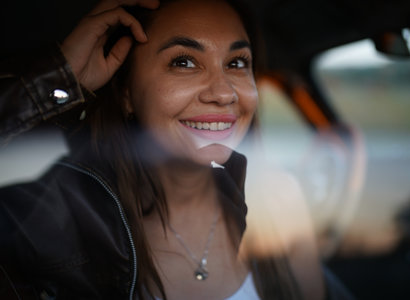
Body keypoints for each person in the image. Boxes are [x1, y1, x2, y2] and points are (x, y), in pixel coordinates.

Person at [0, 0, 349, 299]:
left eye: (237, 63)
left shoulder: (279, 199)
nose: (223, 92)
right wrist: (53, 83)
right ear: (126, 94)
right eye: (184, 62)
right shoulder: (53, 221)